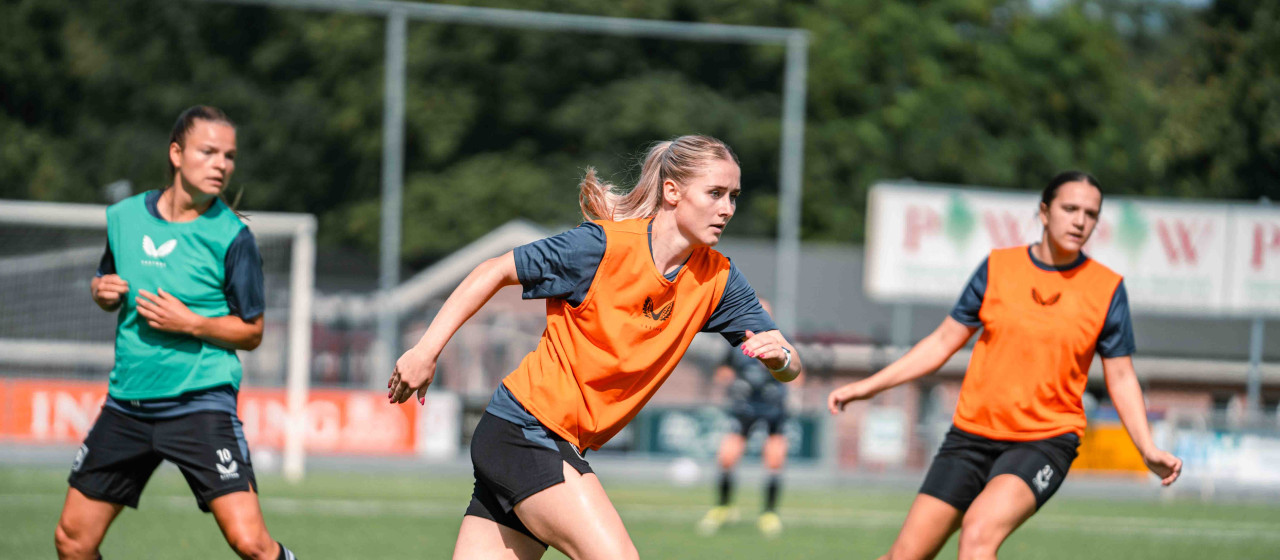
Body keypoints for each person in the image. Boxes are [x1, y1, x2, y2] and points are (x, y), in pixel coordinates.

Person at [388, 135, 803, 560]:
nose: (727, 209)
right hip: (526, 430)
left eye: (733, 196)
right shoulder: (601, 247)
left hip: (543, 440)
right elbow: (493, 271)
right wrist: (426, 350)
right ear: (672, 192)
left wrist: (782, 359)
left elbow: (790, 365)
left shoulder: (719, 280)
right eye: (715, 193)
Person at [827, 171, 1182, 560]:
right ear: (1044, 212)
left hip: (1045, 440)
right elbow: (943, 341)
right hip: (970, 436)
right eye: (1070, 208)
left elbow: (1121, 375)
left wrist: (1146, 448)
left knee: (978, 535)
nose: (1080, 221)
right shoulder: (998, 267)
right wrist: (867, 387)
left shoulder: (1106, 288)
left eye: (1091, 213)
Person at [55, 106, 298, 560]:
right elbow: (106, 279)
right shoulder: (124, 217)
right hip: (127, 404)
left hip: (200, 403)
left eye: (228, 155)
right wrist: (100, 291)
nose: (221, 164)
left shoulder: (233, 237)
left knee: (252, 545)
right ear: (176, 153)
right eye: (208, 152)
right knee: (73, 541)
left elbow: (253, 332)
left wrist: (191, 323)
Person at [697, 299, 793, 538]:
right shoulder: (736, 343)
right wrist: (729, 384)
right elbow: (724, 370)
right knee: (727, 457)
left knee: (774, 460)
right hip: (745, 406)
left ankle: (769, 514)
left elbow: (795, 370)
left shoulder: (780, 341)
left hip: (773, 407)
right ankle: (724, 507)